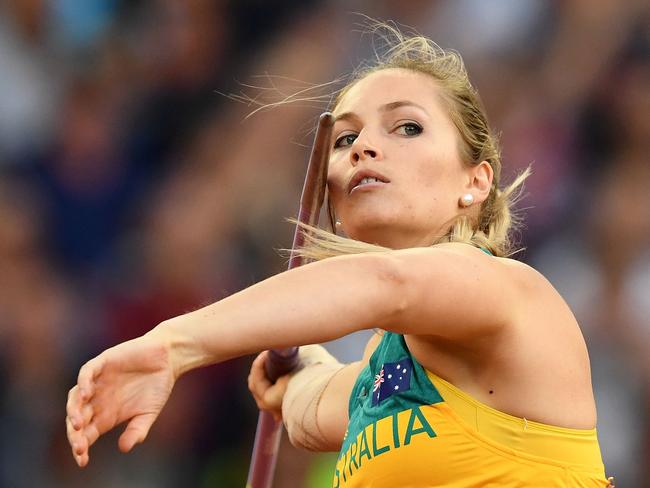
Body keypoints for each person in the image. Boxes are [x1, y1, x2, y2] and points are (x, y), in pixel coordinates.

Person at [66, 24, 613, 486]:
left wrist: (173, 345)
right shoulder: (380, 381)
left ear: (475, 181)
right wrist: (295, 364)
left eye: (407, 127)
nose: (364, 147)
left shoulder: (506, 292)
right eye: (345, 140)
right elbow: (305, 407)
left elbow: (385, 285)